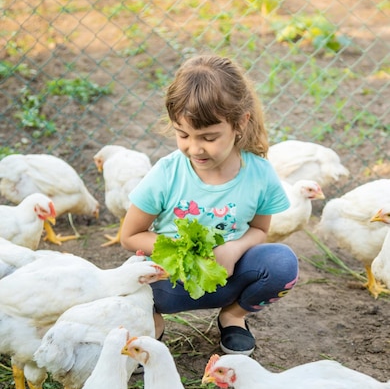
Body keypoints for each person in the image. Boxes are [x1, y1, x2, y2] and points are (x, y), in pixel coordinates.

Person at [120, 54, 298, 355]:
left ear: (240, 123)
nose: (194, 148)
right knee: (130, 280)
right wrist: (182, 251)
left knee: (282, 264)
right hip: (170, 285)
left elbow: (259, 230)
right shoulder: (167, 173)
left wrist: (233, 249)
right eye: (183, 135)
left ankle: (233, 316)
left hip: (226, 278)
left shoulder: (259, 173)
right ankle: (152, 322)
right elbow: (130, 235)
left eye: (209, 137)